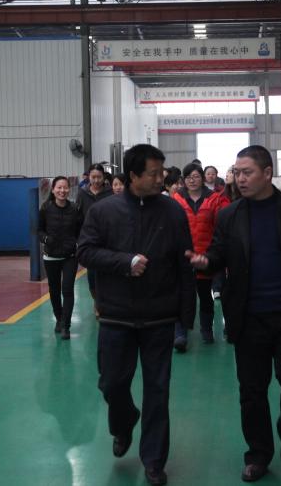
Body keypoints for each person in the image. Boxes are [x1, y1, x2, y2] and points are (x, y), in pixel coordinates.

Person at [189, 145, 281, 483]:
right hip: (249, 317)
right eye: (237, 172)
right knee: (252, 391)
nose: (240, 178)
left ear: (267, 173)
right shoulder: (230, 215)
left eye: (247, 172)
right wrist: (207, 261)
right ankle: (259, 454)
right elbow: (219, 252)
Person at [78, 144, 196, 486]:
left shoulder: (172, 212)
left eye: (162, 173)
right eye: (153, 174)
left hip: (159, 316)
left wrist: (185, 316)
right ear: (133, 175)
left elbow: (184, 263)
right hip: (116, 316)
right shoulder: (104, 211)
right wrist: (124, 262)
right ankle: (124, 421)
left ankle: (154, 460)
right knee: (112, 384)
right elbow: (85, 251)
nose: (161, 179)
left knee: (158, 391)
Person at [171, 163, 230, 349]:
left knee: (205, 296)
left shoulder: (214, 199)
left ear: (202, 178)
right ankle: (180, 334)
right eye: (188, 177)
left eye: (196, 176)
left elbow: (221, 226)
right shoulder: (176, 199)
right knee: (182, 296)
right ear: (184, 180)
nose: (192, 180)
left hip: (206, 257)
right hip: (182, 256)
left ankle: (206, 330)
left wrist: (214, 255)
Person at [38, 176, 83, 340]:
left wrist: (77, 244)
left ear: (69, 190)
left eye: (65, 188)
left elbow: (81, 231)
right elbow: (39, 230)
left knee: (68, 290)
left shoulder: (75, 209)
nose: (62, 191)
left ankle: (66, 326)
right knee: (54, 291)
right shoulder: (46, 208)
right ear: (53, 190)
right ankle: (59, 318)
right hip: (51, 256)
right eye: (59, 187)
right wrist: (46, 239)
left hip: (70, 256)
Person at [76, 164, 113, 301]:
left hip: (108, 240)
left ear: (104, 177)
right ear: (88, 177)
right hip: (90, 240)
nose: (96, 180)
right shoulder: (82, 193)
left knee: (108, 272)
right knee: (91, 275)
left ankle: (107, 302)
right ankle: (97, 303)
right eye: (93, 177)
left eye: (99, 177)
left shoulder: (110, 193)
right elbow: (78, 217)